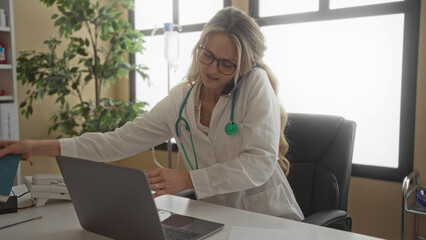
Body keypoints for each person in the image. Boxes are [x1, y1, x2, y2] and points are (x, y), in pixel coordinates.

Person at [0, 7, 304, 221]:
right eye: (208, 55)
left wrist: (187, 178)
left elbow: (258, 162)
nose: (211, 69)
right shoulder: (181, 100)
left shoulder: (255, 84)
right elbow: (115, 142)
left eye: (227, 64)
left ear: (246, 66)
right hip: (217, 216)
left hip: (267, 218)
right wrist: (37, 146)